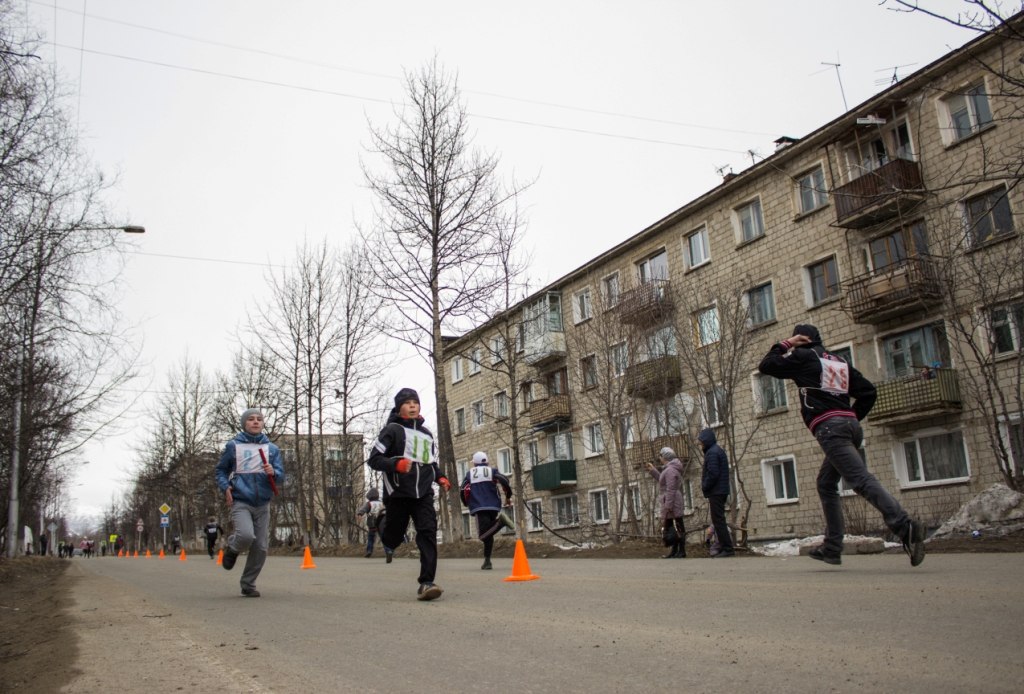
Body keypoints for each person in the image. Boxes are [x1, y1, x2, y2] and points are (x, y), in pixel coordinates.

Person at [758, 324, 926, 567]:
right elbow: (868, 392)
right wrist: (850, 418)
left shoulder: (804, 356)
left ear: (803, 339)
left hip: (831, 428)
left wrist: (788, 343)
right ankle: (832, 547)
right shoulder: (838, 361)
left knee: (860, 480)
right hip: (849, 426)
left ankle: (904, 526)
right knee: (826, 484)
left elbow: (767, 365)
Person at [367, 388, 452, 601]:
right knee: (393, 539)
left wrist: (439, 477)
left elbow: (429, 463)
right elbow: (374, 459)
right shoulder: (392, 430)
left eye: (416, 402)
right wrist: (396, 464)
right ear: (399, 407)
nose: (413, 405)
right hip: (398, 493)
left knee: (428, 531)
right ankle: (382, 520)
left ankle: (427, 582)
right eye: (408, 402)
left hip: (423, 494)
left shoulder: (426, 434)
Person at [215, 407, 285, 597]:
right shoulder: (233, 446)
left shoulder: (272, 449)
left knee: (261, 547)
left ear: (263, 424)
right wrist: (225, 487)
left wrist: (274, 472)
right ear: (244, 424)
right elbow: (220, 471)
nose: (255, 422)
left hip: (263, 503)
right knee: (246, 536)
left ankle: (248, 584)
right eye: (251, 419)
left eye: (259, 419)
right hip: (241, 500)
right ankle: (234, 546)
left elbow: (280, 476)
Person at [460, 451, 514, 570]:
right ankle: (487, 561)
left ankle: (501, 522)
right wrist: (508, 496)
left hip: (479, 506)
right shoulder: (492, 471)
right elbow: (504, 480)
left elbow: (463, 488)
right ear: (486, 461)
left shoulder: (470, 474)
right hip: (493, 506)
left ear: (474, 463)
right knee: (489, 533)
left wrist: (465, 502)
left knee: (482, 535)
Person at [698, 428, 736, 558]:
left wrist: (705, 485)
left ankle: (727, 548)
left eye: (701, 442)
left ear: (706, 441)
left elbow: (713, 473)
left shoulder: (712, 453)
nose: (701, 445)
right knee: (719, 520)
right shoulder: (716, 450)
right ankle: (724, 547)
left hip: (716, 491)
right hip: (720, 490)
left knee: (718, 521)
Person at [647, 447, 687, 558]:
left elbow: (671, 488)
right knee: (672, 527)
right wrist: (653, 471)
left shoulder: (670, 470)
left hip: (672, 502)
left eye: (660, 456)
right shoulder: (670, 469)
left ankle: (681, 551)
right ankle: (675, 551)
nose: (659, 458)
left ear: (665, 457)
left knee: (678, 526)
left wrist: (668, 505)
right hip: (670, 501)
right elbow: (664, 482)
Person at [355, 489, 385, 557]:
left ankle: (369, 551)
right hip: (381, 523)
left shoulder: (369, 503)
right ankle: (388, 550)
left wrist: (359, 514)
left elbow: (363, 509)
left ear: (369, 496)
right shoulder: (382, 503)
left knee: (371, 537)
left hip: (372, 523)